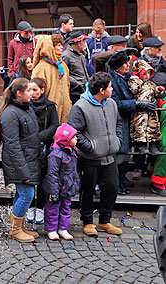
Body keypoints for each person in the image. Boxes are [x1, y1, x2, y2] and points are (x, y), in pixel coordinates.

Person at [68, 72, 123, 237]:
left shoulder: (111, 103)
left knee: (112, 188)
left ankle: (105, 220)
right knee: (88, 190)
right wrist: (90, 147)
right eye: (110, 87)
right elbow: (74, 132)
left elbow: (118, 123)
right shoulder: (80, 107)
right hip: (90, 159)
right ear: (101, 90)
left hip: (110, 156)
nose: (112, 89)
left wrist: (117, 140)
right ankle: (88, 221)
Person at [0, 78, 41, 243]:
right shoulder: (10, 114)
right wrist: (23, 171)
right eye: (28, 90)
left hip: (28, 158)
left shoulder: (26, 108)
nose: (31, 93)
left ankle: (19, 226)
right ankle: (15, 230)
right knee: (27, 195)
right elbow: (13, 145)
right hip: (19, 161)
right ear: (19, 93)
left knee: (23, 194)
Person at [26, 78, 59, 225]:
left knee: (43, 176)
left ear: (42, 90)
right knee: (28, 177)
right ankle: (29, 205)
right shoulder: (25, 106)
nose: (32, 93)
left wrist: (41, 136)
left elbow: (54, 125)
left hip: (44, 145)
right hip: (28, 145)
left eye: (35, 90)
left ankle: (40, 207)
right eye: (30, 90)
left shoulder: (49, 107)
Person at [107, 51, 139, 195]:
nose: (128, 65)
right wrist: (136, 104)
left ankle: (122, 179)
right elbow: (116, 103)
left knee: (126, 153)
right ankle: (117, 183)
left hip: (127, 119)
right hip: (118, 120)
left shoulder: (127, 78)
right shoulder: (112, 80)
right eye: (124, 63)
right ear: (117, 67)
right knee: (120, 153)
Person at [43, 123, 81, 241]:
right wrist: (53, 190)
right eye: (74, 137)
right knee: (53, 208)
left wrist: (76, 182)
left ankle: (63, 228)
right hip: (57, 187)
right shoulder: (55, 154)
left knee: (66, 207)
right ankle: (51, 229)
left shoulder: (73, 151)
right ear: (66, 139)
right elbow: (52, 173)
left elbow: (74, 170)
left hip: (67, 186)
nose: (76, 139)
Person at [32, 34, 72, 123]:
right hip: (49, 112)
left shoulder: (62, 65)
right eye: (58, 45)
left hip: (65, 110)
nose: (62, 47)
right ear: (49, 47)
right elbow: (36, 93)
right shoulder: (41, 67)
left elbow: (68, 86)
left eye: (61, 44)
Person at [128, 60, 164, 154]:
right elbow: (133, 90)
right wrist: (135, 78)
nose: (147, 76)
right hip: (140, 111)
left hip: (151, 111)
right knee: (139, 129)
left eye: (149, 74)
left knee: (153, 128)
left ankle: (153, 145)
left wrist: (159, 90)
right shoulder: (136, 82)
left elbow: (156, 93)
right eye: (145, 74)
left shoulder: (151, 84)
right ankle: (141, 145)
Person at [62, 31, 90, 104]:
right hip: (74, 93)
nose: (85, 43)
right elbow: (64, 74)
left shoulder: (82, 54)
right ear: (79, 43)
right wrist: (77, 83)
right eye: (84, 41)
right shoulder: (66, 56)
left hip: (84, 90)